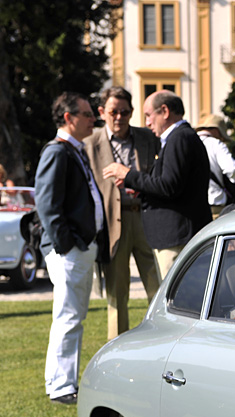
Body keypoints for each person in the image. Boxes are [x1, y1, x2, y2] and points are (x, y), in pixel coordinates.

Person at [35, 92, 104, 404]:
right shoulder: (58, 152)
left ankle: (63, 382)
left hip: (79, 246)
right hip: (69, 250)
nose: (93, 119)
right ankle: (61, 386)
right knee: (68, 317)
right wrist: (68, 246)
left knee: (73, 316)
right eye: (87, 114)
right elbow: (48, 206)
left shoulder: (74, 150)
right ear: (69, 117)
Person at [102, 90, 212, 279]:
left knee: (179, 301)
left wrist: (128, 174)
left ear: (165, 111)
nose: (147, 123)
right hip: (177, 235)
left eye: (148, 115)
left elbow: (168, 186)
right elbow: (171, 185)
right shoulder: (180, 137)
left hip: (177, 238)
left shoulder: (179, 138)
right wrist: (140, 188)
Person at [84, 86, 161, 339]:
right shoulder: (90, 144)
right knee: (117, 295)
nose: (119, 117)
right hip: (111, 224)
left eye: (124, 112)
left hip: (146, 217)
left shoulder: (148, 138)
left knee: (159, 287)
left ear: (132, 112)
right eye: (113, 112)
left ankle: (162, 344)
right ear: (102, 112)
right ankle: (117, 354)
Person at [195, 113, 235, 217]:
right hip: (215, 206)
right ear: (217, 131)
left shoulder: (186, 142)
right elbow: (232, 169)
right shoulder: (215, 144)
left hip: (193, 206)